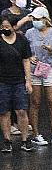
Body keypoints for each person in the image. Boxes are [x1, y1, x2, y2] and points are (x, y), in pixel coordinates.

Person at [25, 6, 52, 147]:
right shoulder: (29, 33)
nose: (35, 21)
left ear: (45, 20)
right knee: (35, 102)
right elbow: (25, 51)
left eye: (38, 19)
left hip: (49, 68)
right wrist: (30, 57)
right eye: (34, 19)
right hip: (34, 69)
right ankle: (35, 134)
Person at [0, 15, 33, 153]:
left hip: (19, 81)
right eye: (2, 27)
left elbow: (26, 60)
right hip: (2, 82)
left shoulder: (22, 40)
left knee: (21, 111)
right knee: (4, 112)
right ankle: (7, 140)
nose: (4, 29)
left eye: (7, 26)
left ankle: (25, 140)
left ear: (14, 27)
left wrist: (28, 80)